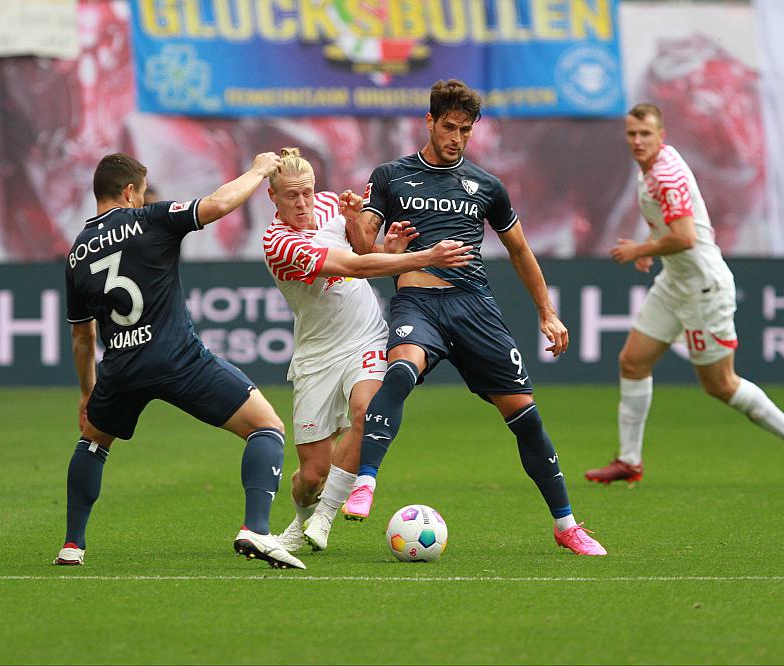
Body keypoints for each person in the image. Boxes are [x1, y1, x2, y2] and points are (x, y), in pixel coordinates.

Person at [345, 79, 607, 556]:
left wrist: (547, 313)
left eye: (465, 130)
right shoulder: (390, 176)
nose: (457, 138)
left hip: (475, 310)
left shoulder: (487, 185)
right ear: (428, 121)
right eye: (449, 127)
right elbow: (364, 251)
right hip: (418, 301)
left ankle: (566, 524)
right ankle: (366, 481)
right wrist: (369, 235)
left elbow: (521, 249)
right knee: (401, 369)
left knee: (525, 418)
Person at [55, 151, 306, 570]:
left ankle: (72, 545)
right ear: (130, 191)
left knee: (94, 441)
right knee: (267, 427)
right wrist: (260, 169)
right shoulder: (150, 218)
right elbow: (220, 203)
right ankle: (256, 530)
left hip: (120, 368)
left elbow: (83, 336)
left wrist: (87, 391)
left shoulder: (77, 253)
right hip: (177, 358)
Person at [584, 103, 784, 486]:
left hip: (704, 288)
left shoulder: (665, 175)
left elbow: (685, 236)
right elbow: (674, 224)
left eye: (646, 134)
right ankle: (629, 460)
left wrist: (639, 250)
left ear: (662, 137)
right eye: (632, 134)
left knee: (720, 384)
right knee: (632, 362)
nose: (638, 141)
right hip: (675, 283)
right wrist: (650, 244)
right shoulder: (654, 167)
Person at [261, 147, 473, 553]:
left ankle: (323, 520)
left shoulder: (327, 204)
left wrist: (364, 228)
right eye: (292, 196)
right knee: (311, 476)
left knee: (366, 411)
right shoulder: (278, 243)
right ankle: (303, 519)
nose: (303, 203)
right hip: (317, 355)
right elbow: (355, 267)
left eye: (307, 192)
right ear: (272, 197)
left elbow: (362, 250)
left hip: (367, 336)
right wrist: (425, 256)